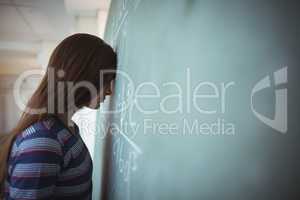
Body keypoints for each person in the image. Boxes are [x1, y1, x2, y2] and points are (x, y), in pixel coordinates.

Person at [0, 33, 117, 199]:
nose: (109, 91)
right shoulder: (44, 141)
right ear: (84, 78)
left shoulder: (65, 129)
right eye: (106, 80)